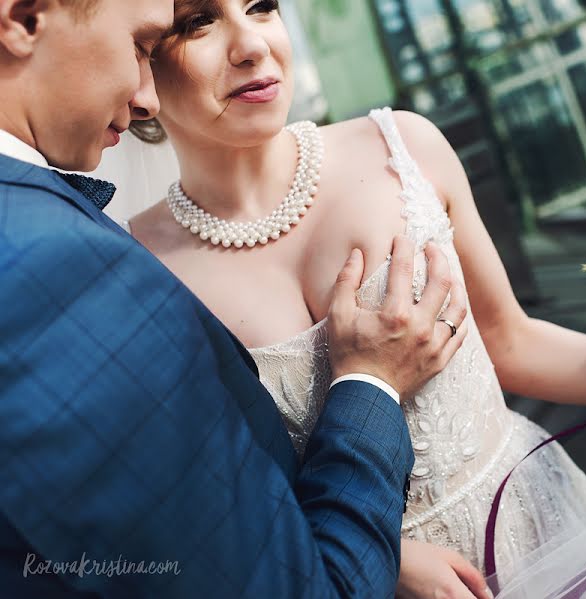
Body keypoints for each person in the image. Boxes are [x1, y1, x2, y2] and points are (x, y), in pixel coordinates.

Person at [114, 0, 586, 595]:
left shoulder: (402, 147)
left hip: (539, 530)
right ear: (140, 62)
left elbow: (510, 343)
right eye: (199, 22)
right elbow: (212, 504)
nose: (252, 45)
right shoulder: (136, 270)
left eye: (261, 6)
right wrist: (384, 560)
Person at [0, 0, 468, 596]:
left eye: (263, 5)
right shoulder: (65, 268)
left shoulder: (402, 144)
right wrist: (372, 383)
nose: (143, 98)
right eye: (146, 44)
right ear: (24, 17)